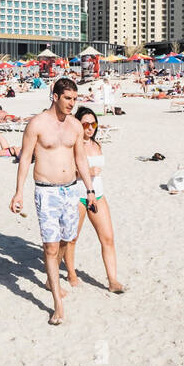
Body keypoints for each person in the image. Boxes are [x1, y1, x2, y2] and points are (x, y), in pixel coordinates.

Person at [9, 78, 99, 326]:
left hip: (71, 190)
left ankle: (51, 279)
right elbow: (25, 158)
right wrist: (18, 192)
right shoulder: (37, 124)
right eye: (68, 98)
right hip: (46, 191)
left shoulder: (75, 126)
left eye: (75, 98)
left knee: (67, 240)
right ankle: (58, 304)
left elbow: (81, 159)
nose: (72, 103)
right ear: (55, 96)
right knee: (49, 247)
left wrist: (89, 189)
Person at [65, 106, 125, 292]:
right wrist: (85, 172)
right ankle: (71, 273)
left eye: (93, 123)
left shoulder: (96, 144)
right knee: (72, 238)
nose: (90, 128)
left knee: (108, 238)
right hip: (79, 196)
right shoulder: (73, 146)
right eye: (86, 124)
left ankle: (112, 280)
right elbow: (65, 171)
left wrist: (93, 173)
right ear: (78, 125)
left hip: (98, 194)